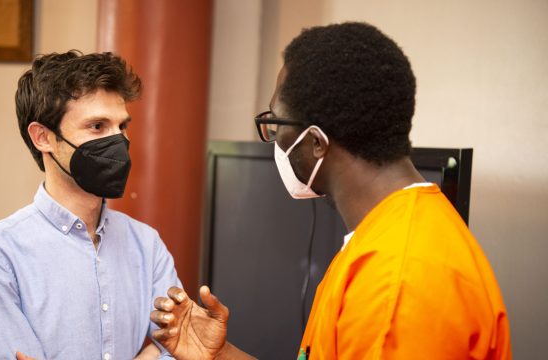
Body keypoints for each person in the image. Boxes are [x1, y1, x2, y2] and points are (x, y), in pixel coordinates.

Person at [149, 22, 512, 359]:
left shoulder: (397, 282)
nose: (274, 140)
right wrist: (222, 354)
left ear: (317, 141)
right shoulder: (390, 234)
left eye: (276, 124)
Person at [0, 50, 181, 360]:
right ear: (43, 138)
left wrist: (164, 351)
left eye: (122, 126)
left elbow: (177, 349)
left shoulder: (147, 244)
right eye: (97, 127)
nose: (119, 142)